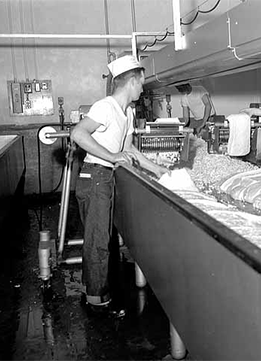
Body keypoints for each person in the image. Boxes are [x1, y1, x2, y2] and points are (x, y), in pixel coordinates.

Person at [71, 55, 170, 313]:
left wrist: (157, 169)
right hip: (94, 176)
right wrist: (113, 156)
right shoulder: (106, 107)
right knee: (98, 239)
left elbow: (129, 150)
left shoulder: (126, 112)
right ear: (132, 81)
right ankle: (97, 300)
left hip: (104, 178)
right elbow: (78, 133)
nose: (142, 89)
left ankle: (90, 288)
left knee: (100, 237)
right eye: (141, 83)